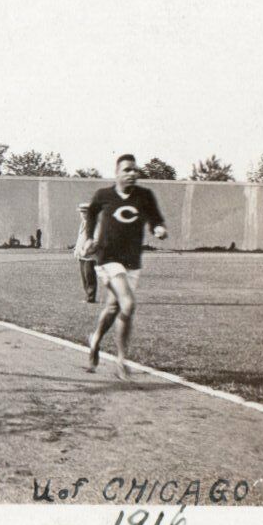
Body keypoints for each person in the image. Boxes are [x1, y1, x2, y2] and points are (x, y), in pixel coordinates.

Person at [79, 154, 167, 380]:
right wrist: (89, 238)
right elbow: (91, 214)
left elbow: (155, 218)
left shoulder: (145, 196)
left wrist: (158, 228)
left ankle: (96, 338)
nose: (132, 174)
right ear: (117, 173)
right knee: (127, 304)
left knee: (113, 307)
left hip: (132, 261)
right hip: (108, 258)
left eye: (135, 170)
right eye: (127, 170)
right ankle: (121, 360)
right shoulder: (104, 195)